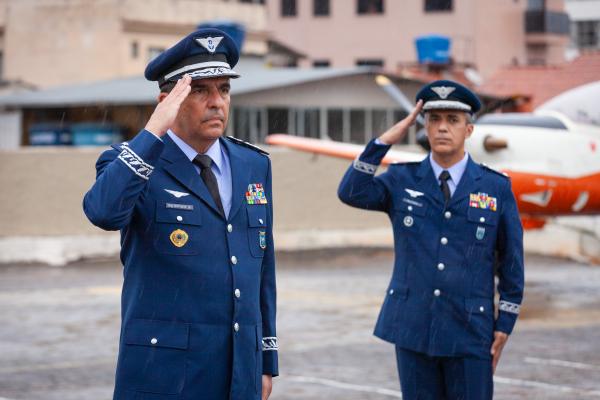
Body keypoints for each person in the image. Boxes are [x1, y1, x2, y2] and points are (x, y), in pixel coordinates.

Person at [83, 28, 277, 400]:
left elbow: (262, 264)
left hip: (239, 370)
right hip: (164, 374)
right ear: (167, 100)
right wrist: (154, 129)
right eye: (200, 91)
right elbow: (103, 212)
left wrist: (266, 359)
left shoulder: (253, 164)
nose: (216, 102)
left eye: (223, 89)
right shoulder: (133, 160)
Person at [338, 80, 524, 399]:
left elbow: (511, 263)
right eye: (434, 119)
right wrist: (383, 141)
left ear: (468, 129)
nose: (442, 128)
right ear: (423, 125)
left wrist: (504, 323)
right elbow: (351, 192)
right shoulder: (401, 179)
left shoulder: (495, 188)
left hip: (470, 331)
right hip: (413, 328)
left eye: (452, 120)